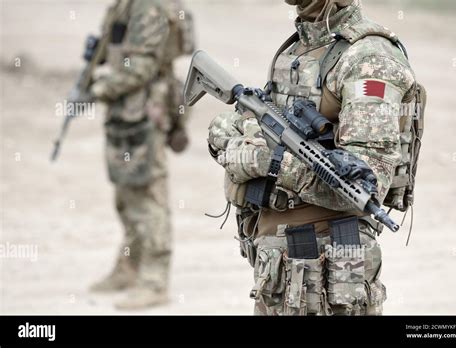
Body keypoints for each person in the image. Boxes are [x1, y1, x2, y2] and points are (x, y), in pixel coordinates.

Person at [208, 0, 421, 315]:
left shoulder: (370, 59)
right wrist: (231, 135)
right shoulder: (301, 47)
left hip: (331, 273)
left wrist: (269, 161)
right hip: (277, 268)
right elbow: (251, 120)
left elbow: (366, 185)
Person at [87, 0, 195, 310]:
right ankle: (129, 267)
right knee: (127, 193)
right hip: (128, 110)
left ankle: (155, 281)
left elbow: (143, 67)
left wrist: (99, 89)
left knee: (149, 195)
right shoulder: (128, 4)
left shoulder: (150, 7)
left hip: (146, 111)